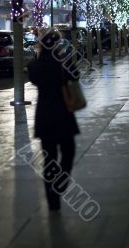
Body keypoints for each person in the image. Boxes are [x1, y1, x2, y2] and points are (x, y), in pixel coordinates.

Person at [28, 29, 80, 211]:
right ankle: (60, 184)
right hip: (63, 114)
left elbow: (33, 77)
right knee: (69, 152)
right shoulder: (63, 62)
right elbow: (76, 76)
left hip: (44, 116)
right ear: (56, 44)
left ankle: (52, 199)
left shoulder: (36, 64)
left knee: (49, 158)